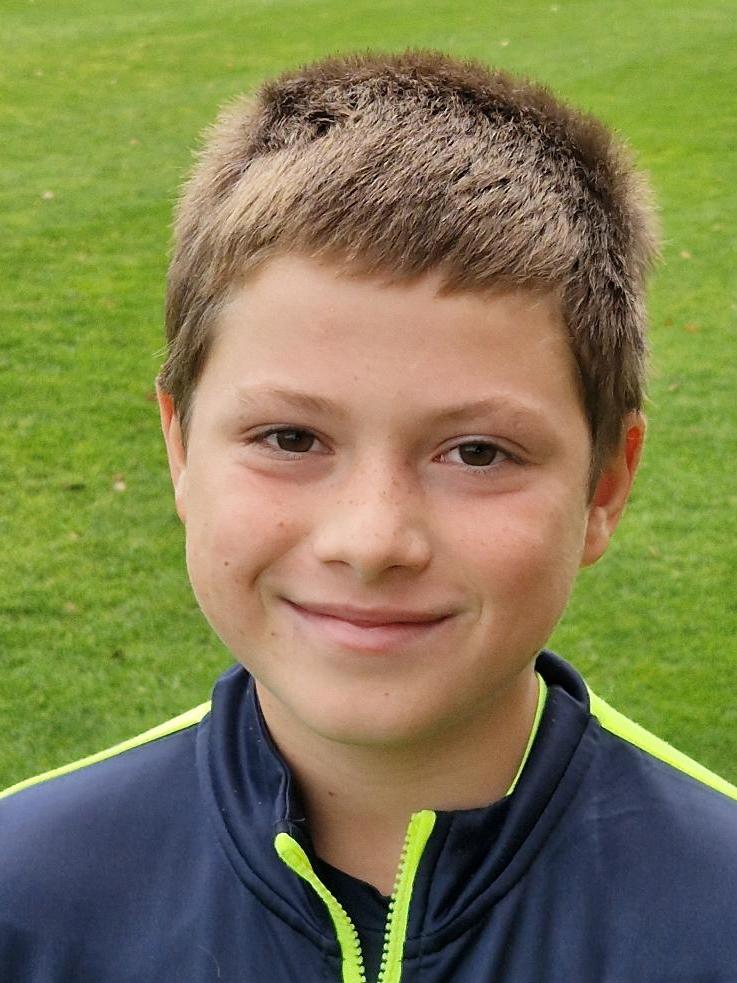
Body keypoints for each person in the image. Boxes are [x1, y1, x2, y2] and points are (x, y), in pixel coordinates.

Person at [1, 49, 735, 983]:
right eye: (290, 438)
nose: (372, 540)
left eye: (477, 453)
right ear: (180, 449)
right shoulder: (24, 896)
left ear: (604, 487)